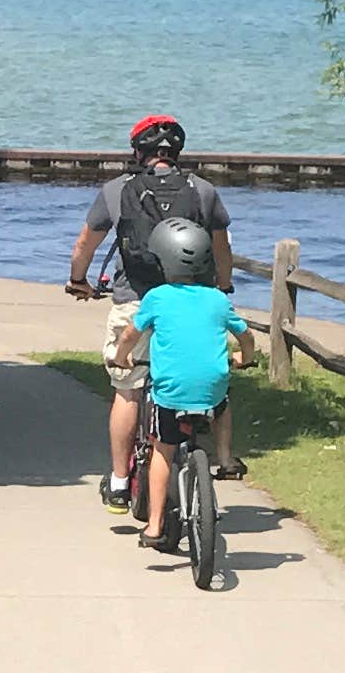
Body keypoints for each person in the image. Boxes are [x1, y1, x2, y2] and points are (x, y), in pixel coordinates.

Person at [66, 114, 237, 502]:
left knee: (127, 390)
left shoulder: (116, 190)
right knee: (202, 375)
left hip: (136, 301)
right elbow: (222, 249)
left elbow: (84, 246)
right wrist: (223, 285)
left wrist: (79, 280)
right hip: (192, 304)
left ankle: (119, 481)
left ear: (137, 152)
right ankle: (217, 455)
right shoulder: (203, 190)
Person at [127, 220, 253, 550]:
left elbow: (130, 334)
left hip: (171, 393)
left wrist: (121, 356)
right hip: (212, 387)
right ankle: (224, 458)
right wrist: (245, 357)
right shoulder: (217, 299)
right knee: (223, 403)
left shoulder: (156, 297)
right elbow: (245, 335)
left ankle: (155, 524)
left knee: (163, 450)